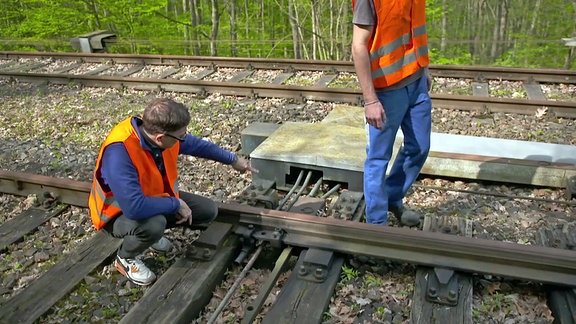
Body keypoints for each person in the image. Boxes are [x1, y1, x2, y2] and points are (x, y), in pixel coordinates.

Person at [88, 98, 257, 286]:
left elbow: (198, 145)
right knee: (154, 225)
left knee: (207, 210)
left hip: (151, 198)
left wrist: (233, 160)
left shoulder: (160, 134)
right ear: (161, 138)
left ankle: (150, 236)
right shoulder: (119, 152)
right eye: (181, 136)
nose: (184, 139)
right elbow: (133, 208)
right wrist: (175, 204)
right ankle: (126, 258)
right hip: (115, 214)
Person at [351, 0, 432, 226]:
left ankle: (392, 197)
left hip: (416, 81)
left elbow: (414, 27)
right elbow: (358, 46)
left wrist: (424, 68)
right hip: (386, 91)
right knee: (378, 158)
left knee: (420, 147)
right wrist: (370, 100)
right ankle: (376, 225)